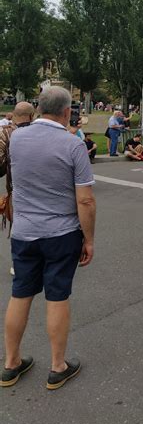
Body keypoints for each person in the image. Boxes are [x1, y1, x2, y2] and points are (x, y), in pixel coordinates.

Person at [1, 86, 95, 389]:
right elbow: (85, 200)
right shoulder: (73, 145)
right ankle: (57, 366)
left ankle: (11, 363)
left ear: (39, 108)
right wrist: (89, 239)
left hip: (24, 231)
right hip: (60, 233)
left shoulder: (17, 138)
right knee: (57, 295)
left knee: (20, 294)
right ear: (67, 111)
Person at [0, 103, 36, 277]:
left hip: (17, 188)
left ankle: (19, 263)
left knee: (18, 226)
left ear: (14, 115)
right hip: (44, 189)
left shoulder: (6, 133)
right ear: (32, 115)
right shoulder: (41, 132)